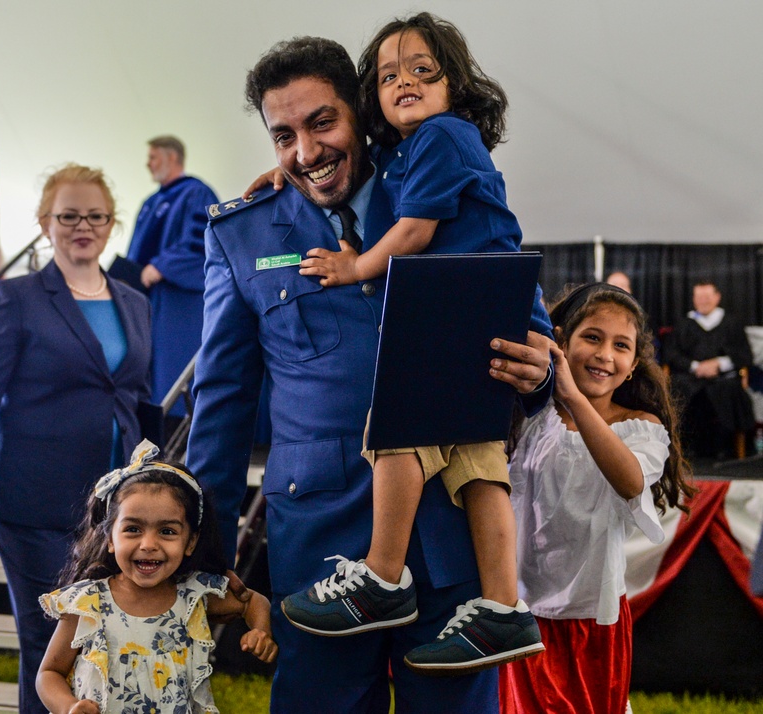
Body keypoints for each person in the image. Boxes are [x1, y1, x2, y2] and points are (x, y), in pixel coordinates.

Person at [187, 36, 552, 713]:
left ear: (360, 111)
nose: (305, 152)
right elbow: (223, 403)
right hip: (319, 543)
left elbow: (526, 316)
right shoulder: (242, 234)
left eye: (322, 123)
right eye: (283, 136)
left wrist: (541, 369)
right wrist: (209, 556)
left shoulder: (436, 184)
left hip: (450, 531)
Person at [279, 13, 549, 675]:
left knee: (395, 429)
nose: (403, 83)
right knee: (477, 462)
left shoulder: (443, 136)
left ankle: (381, 575)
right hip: (484, 304)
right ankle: (503, 607)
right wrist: (285, 177)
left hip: (455, 300)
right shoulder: (406, 153)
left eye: (421, 70)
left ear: (454, 83)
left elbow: (417, 233)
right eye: (388, 75)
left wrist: (355, 265)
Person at [0, 163, 152, 714]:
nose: (82, 226)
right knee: (51, 645)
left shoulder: (135, 302)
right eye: (68, 215)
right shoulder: (14, 298)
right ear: (45, 222)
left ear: (111, 223)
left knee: (107, 644)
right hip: (33, 501)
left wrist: (155, 483)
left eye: (95, 215)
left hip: (115, 508)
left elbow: (139, 399)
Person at [501, 283, 694, 714]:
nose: (605, 353)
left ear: (632, 367)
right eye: (592, 337)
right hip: (522, 613)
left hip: (593, 619)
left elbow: (629, 482)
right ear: (562, 341)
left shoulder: (642, 428)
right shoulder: (530, 417)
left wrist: (570, 394)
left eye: (621, 345)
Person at [36, 440, 276, 714]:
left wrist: (260, 630)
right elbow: (49, 673)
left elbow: (250, 601)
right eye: (133, 529)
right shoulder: (87, 604)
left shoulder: (194, 596)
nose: (148, 544)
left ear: (190, 542)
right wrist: (69, 707)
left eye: (167, 532)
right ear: (110, 538)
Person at [126, 136, 218, 430]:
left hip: (177, 299)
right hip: (147, 299)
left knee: (170, 370)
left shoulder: (195, 192)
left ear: (172, 158)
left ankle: (176, 425)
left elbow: (201, 241)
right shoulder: (152, 201)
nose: (147, 164)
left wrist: (163, 266)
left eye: (153, 157)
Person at [662, 280, 755, 459]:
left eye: (707, 297)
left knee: (727, 391)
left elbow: (745, 355)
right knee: (680, 389)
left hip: (724, 378)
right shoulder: (685, 324)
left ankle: (726, 449)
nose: (703, 301)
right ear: (693, 299)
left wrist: (719, 364)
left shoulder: (731, 323)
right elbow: (671, 354)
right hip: (691, 377)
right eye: (699, 297)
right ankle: (688, 449)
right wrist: (696, 367)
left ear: (717, 297)